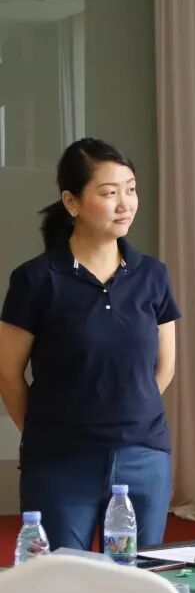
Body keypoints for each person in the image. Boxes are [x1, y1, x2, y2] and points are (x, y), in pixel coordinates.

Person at [0, 138, 180, 553]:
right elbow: (8, 373)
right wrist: (47, 432)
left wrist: (128, 414)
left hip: (143, 457)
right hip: (61, 461)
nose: (125, 204)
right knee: (65, 578)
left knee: (138, 579)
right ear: (72, 202)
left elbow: (165, 367)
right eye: (109, 192)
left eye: (130, 189)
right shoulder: (36, 280)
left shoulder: (152, 275)